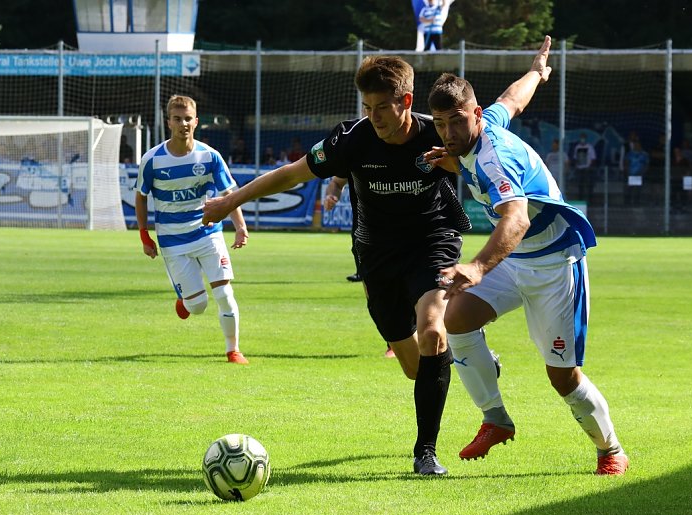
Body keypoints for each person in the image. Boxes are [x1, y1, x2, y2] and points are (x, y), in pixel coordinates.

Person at [204, 40, 552, 478]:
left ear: (406, 101)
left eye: (381, 108)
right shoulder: (351, 140)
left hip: (433, 242)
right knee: (414, 368)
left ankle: (425, 453)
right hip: (376, 257)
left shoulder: (438, 133)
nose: (373, 117)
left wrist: (537, 74)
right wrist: (230, 201)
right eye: (367, 107)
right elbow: (290, 173)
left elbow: (504, 108)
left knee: (432, 334)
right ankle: (475, 362)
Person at [424, 45, 629, 476]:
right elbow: (513, 99)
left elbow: (515, 220)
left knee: (563, 378)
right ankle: (495, 419)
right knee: (454, 320)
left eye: (456, 121)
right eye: (440, 124)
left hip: (554, 265)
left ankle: (610, 449)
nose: (448, 132)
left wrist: (477, 268)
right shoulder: (484, 125)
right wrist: (537, 72)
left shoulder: (493, 158)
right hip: (516, 260)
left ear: (474, 113)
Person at [136, 94, 250, 365]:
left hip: (208, 233)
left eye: (188, 119)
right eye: (177, 119)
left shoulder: (209, 156)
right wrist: (144, 234)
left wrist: (240, 227)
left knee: (224, 293)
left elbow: (229, 194)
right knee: (197, 307)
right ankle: (186, 299)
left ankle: (233, 351)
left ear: (196, 122)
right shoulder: (152, 160)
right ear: (169, 122)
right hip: (172, 241)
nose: (183, 124)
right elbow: (140, 196)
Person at [323, 175, 396, 359]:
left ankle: (414, 338)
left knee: (411, 288)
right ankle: (394, 342)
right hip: (366, 236)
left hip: (407, 232)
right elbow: (336, 182)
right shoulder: (356, 149)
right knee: (374, 293)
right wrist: (331, 196)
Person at [571, 133, 596, 204]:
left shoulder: (590, 147)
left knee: (588, 185)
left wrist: (590, 167)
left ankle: (590, 200)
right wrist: (576, 165)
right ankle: (580, 199)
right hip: (580, 169)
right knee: (580, 185)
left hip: (587, 169)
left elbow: (593, 158)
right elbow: (575, 158)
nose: (582, 139)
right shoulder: (577, 147)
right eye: (581, 138)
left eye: (583, 138)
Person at [623, 139, 649, 206]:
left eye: (637, 144)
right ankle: (627, 202)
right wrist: (627, 172)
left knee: (638, 189)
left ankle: (636, 202)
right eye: (635, 144)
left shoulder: (644, 154)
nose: (636, 146)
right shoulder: (629, 154)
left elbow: (646, 164)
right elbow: (626, 163)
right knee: (629, 188)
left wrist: (643, 172)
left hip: (640, 174)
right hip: (631, 174)